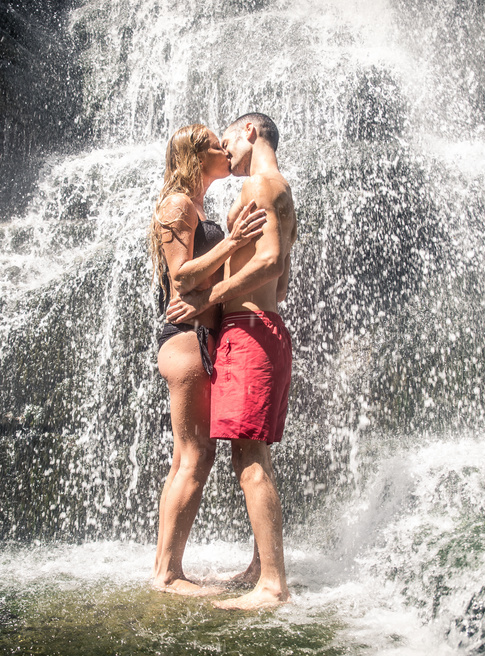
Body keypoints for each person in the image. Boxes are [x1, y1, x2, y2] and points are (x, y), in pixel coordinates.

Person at [167, 112, 297, 610]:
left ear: (250, 132)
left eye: (227, 141)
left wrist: (208, 299)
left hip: (249, 333)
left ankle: (273, 585)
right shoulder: (279, 188)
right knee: (253, 457)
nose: (225, 153)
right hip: (260, 329)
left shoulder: (262, 186)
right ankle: (261, 567)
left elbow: (268, 262)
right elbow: (282, 278)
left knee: (250, 461)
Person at [149, 124, 268, 595]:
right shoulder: (177, 205)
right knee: (194, 457)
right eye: (217, 144)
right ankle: (168, 574)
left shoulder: (195, 206)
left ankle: (166, 569)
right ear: (197, 157)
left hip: (199, 338)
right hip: (186, 339)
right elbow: (181, 279)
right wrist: (233, 242)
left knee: (187, 457)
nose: (226, 149)